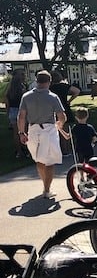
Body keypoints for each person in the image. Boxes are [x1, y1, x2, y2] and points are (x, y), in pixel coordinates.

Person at [17, 70, 66, 198]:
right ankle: (47, 189)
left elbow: (21, 116)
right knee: (49, 161)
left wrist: (21, 132)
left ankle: (45, 186)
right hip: (48, 129)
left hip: (33, 129)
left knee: (39, 159)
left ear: (36, 81)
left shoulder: (26, 96)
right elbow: (62, 116)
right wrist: (60, 124)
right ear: (49, 82)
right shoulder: (52, 97)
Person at [50, 70, 80, 156]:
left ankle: (62, 149)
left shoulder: (50, 88)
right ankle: (68, 148)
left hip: (53, 109)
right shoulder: (63, 86)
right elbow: (77, 91)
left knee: (59, 130)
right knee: (66, 128)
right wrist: (70, 100)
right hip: (64, 107)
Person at [5, 68, 27, 158]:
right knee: (24, 131)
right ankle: (25, 149)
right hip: (21, 110)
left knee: (16, 132)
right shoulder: (22, 87)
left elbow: (7, 102)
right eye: (22, 74)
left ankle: (19, 151)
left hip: (12, 110)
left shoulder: (9, 88)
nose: (24, 76)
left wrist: (8, 113)